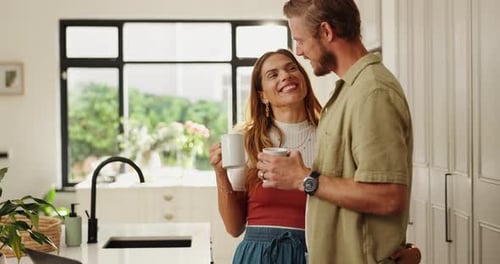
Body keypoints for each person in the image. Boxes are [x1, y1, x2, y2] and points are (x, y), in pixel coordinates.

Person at [256, 1, 414, 263]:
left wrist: (304, 178)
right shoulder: (349, 91)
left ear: (326, 32)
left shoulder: (373, 92)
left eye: (301, 40)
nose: (300, 51)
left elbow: (388, 198)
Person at [208, 48, 322, 264]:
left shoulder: (328, 136)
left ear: (303, 80)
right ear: (262, 95)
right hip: (257, 257)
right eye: (273, 74)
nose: (286, 76)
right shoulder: (247, 140)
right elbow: (234, 227)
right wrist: (220, 174)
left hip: (313, 254)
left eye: (291, 68)